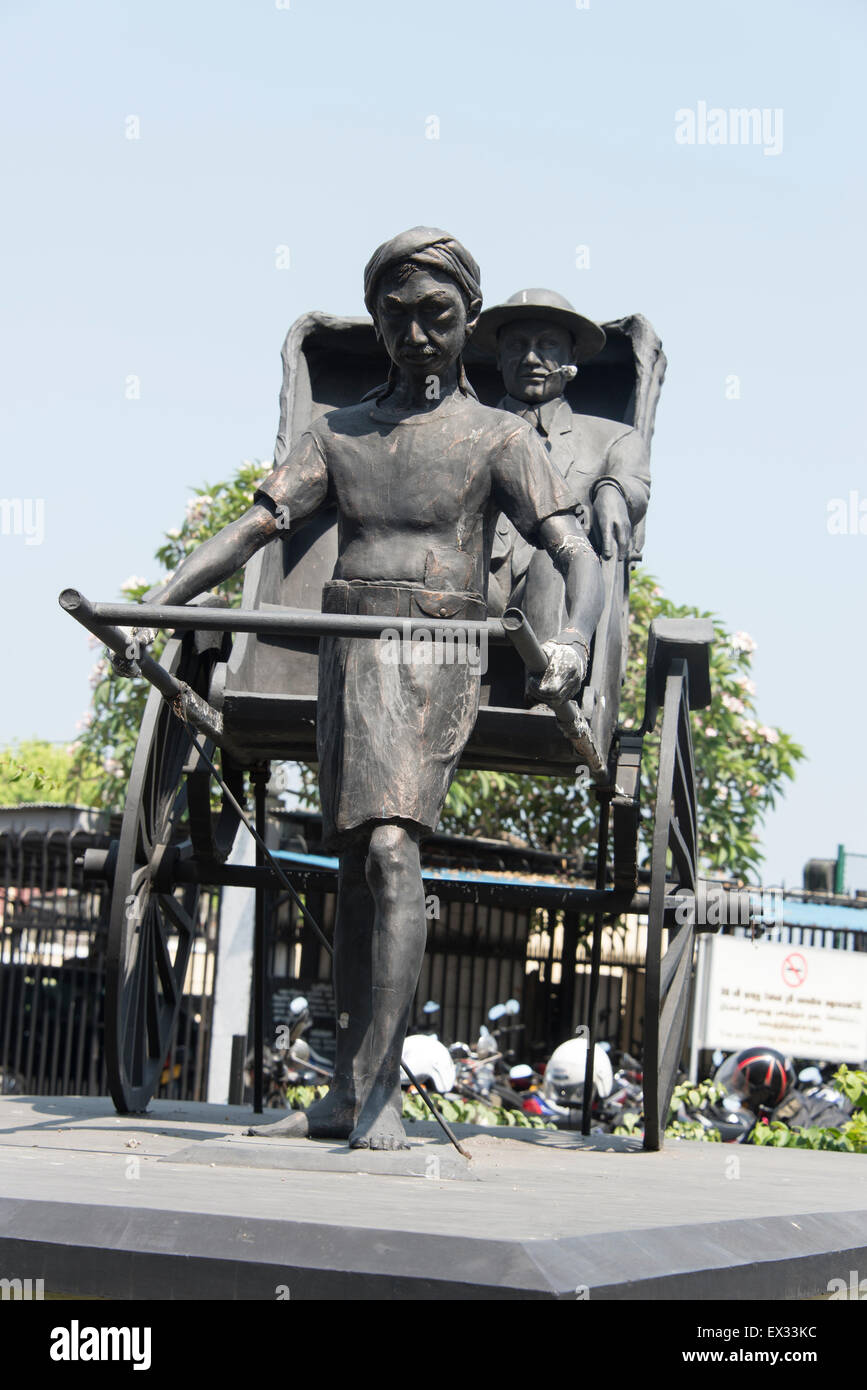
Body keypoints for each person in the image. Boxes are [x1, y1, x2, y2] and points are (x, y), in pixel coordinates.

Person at [122, 229, 604, 1150]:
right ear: (376, 322)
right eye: (398, 317)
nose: (417, 335)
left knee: (389, 847)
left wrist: (572, 639)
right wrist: (160, 601)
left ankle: (379, 1089)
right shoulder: (335, 435)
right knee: (353, 860)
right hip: (350, 650)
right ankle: (346, 1091)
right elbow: (258, 525)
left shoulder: (499, 438)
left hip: (438, 649)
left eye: (437, 316)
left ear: (466, 322)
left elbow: (570, 552)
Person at [473, 289, 650, 641]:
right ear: (498, 358)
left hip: (556, 595)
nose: (531, 358)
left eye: (548, 345)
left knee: (557, 559)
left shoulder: (613, 438)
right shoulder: (465, 431)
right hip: (473, 586)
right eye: (516, 345)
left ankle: (549, 690)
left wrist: (611, 489)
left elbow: (634, 482)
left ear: (572, 358)